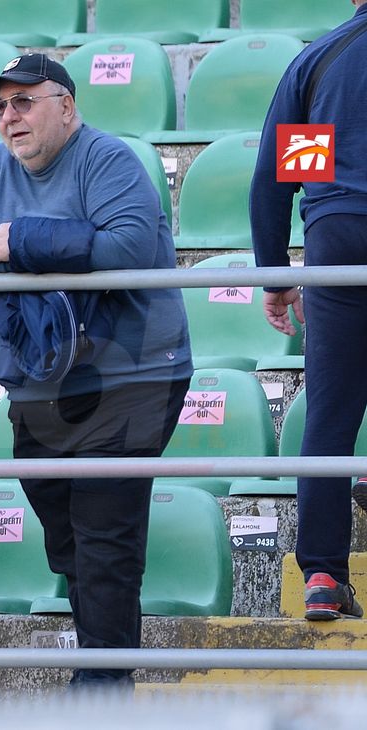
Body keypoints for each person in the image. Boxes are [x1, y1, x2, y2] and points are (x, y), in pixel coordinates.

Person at [0, 53, 193, 689]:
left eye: (24, 101)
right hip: (39, 380)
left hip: (133, 374)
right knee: (67, 536)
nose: (9, 117)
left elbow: (129, 245)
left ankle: (101, 684)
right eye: (0, 107)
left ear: (67, 106)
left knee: (104, 533)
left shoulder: (108, 159)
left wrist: (20, 241)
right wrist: (54, 242)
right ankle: (103, 670)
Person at [250, 0, 367, 621]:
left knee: (330, 409)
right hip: (341, 225)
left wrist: (275, 272)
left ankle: (322, 572)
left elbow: (277, 177)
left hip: (339, 235)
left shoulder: (321, 61)